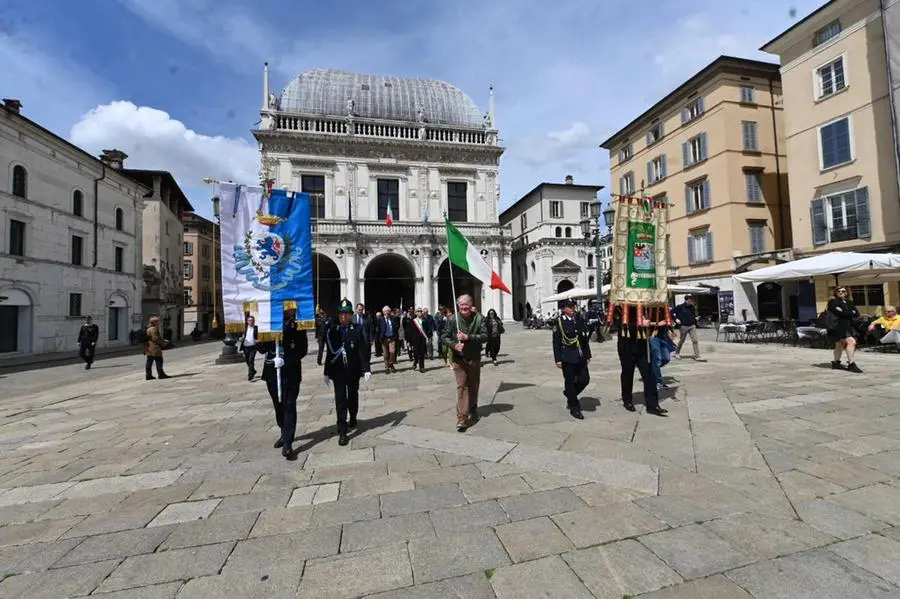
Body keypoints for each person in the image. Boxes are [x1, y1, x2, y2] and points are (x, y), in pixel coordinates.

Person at [259, 311, 308, 460]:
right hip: (272, 372)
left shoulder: (297, 326)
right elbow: (262, 349)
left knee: (289, 405)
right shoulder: (268, 325)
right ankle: (283, 430)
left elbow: (302, 350)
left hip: (291, 372)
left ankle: (288, 442)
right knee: (278, 405)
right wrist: (254, 334)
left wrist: (287, 359)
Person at [323, 299, 372, 446]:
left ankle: (353, 416)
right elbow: (330, 353)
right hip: (338, 371)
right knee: (340, 399)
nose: (343, 316)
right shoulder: (333, 329)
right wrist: (326, 372)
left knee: (352, 396)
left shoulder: (356, 329)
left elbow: (362, 350)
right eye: (341, 313)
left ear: (351, 315)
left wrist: (366, 369)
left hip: (352, 370)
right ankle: (342, 429)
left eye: (346, 313)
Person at [440, 294, 488, 432]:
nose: (464, 307)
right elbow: (444, 336)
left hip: (474, 357)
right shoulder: (452, 319)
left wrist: (468, 337)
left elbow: (485, 336)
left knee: (474, 385)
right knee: (462, 386)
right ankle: (462, 418)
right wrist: (454, 345)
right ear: (458, 306)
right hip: (458, 358)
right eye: (461, 305)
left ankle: (473, 408)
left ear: (471, 304)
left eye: (466, 304)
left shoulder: (479, 318)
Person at [616, 305, 668, 416]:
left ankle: (653, 405)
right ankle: (627, 400)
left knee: (649, 375)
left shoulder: (644, 307)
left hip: (643, 347)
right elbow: (622, 326)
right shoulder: (620, 309)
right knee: (627, 374)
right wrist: (640, 325)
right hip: (627, 347)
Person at [552, 300, 591, 419]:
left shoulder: (578, 320)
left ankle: (570, 394)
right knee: (570, 381)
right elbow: (556, 342)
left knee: (585, 379)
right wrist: (558, 359)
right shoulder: (559, 322)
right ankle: (575, 408)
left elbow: (584, 339)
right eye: (569, 307)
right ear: (564, 309)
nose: (572, 309)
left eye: (573, 306)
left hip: (580, 356)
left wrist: (588, 354)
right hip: (567, 357)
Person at [827, 287, 862, 372]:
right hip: (837, 326)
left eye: (843, 291)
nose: (841, 292)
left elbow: (857, 313)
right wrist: (850, 312)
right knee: (851, 342)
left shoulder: (849, 302)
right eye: (838, 291)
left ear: (846, 293)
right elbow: (840, 313)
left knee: (839, 345)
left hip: (848, 326)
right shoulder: (833, 302)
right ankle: (851, 364)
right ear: (836, 293)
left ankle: (836, 363)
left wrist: (846, 312)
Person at [673, 295, 703, 360]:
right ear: (686, 300)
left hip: (692, 326)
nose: (691, 302)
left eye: (691, 300)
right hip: (683, 326)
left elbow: (694, 315)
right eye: (689, 300)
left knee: (695, 340)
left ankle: (697, 355)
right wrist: (676, 319)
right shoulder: (680, 307)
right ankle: (677, 353)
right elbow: (672, 312)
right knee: (682, 340)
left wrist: (696, 318)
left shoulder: (692, 307)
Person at [144, 315, 169, 380]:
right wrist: (163, 344)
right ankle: (161, 374)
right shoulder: (153, 329)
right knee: (159, 360)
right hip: (154, 347)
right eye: (158, 321)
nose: (158, 322)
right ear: (155, 322)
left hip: (149, 347)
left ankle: (148, 375)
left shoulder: (148, 328)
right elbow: (155, 338)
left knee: (149, 361)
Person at [404, 308, 428, 373]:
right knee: (416, 353)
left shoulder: (425, 320)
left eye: (420, 311)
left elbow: (427, 330)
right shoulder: (412, 321)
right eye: (418, 311)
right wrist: (408, 341)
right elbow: (408, 332)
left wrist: (428, 336)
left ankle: (422, 367)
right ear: (416, 313)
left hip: (423, 339)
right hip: (415, 340)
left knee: (422, 353)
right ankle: (415, 362)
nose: (420, 312)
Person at [377, 306, 399, 373]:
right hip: (384, 338)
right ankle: (387, 367)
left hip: (392, 337)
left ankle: (391, 364)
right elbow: (378, 329)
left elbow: (396, 327)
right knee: (385, 354)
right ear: (383, 312)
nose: (387, 312)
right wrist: (378, 338)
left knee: (392, 352)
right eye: (385, 311)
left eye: (388, 311)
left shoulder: (393, 318)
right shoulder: (380, 319)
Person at [239, 315, 259, 381]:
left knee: (251, 360)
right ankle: (253, 370)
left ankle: (250, 376)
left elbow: (259, 337)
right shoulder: (244, 328)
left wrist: (258, 340)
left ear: (254, 321)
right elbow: (240, 336)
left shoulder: (256, 328)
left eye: (252, 320)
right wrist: (240, 338)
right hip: (245, 347)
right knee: (247, 361)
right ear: (247, 321)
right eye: (250, 320)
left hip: (253, 347)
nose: (251, 322)